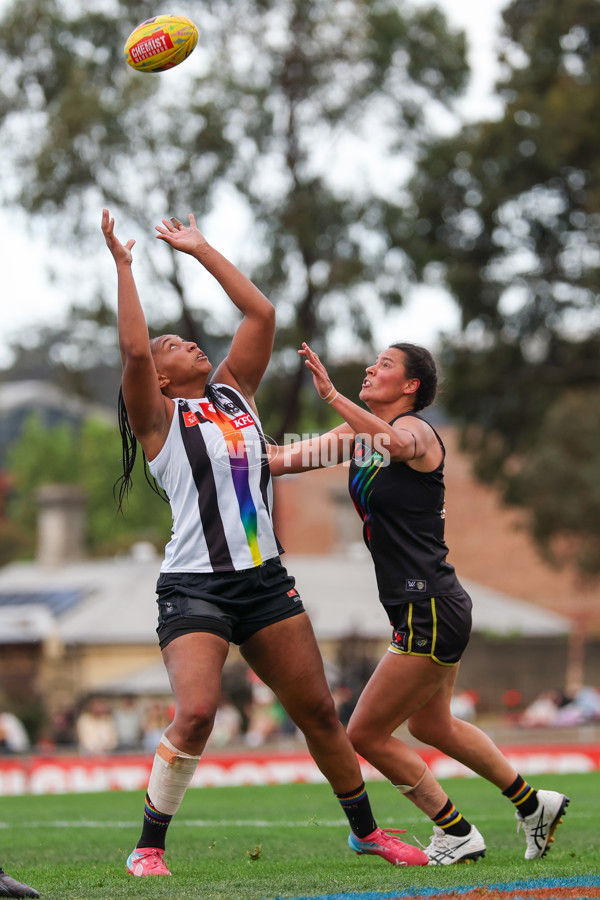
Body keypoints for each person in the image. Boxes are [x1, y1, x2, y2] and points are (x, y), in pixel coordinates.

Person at [101, 210, 427, 877]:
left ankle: (366, 833)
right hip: (195, 586)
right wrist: (125, 268)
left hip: (265, 581)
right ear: (159, 378)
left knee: (319, 714)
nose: (188, 344)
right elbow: (133, 352)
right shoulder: (158, 417)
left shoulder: (232, 395)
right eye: (174, 345)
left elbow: (262, 314)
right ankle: (148, 848)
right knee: (196, 713)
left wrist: (201, 250)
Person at [269, 340, 570, 864]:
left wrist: (333, 395)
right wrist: (218, 438)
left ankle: (456, 832)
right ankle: (532, 804)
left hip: (428, 605)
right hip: (427, 605)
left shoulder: (416, 431)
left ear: (411, 386)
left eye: (384, 364)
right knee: (432, 726)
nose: (371, 368)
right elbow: (282, 459)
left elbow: (397, 445)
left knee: (365, 732)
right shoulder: (359, 436)